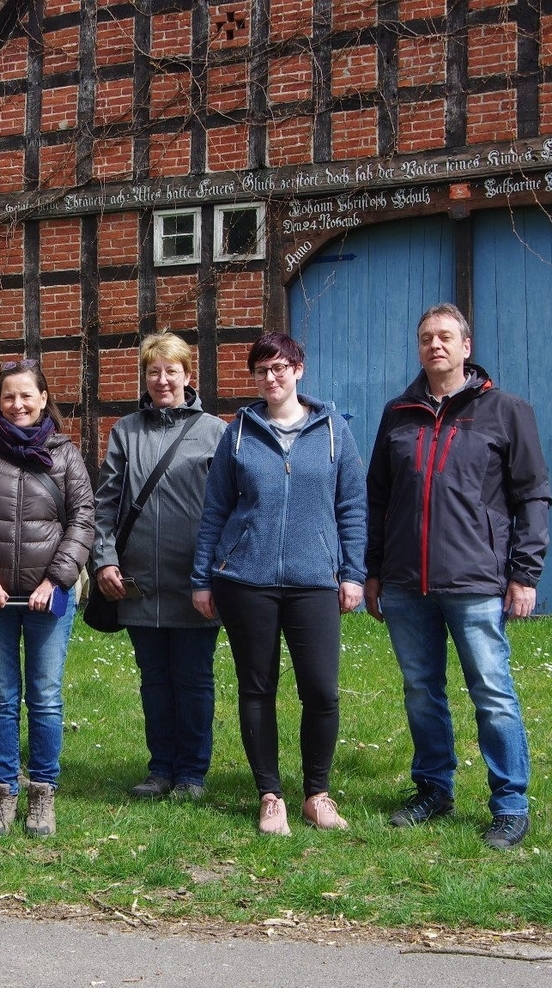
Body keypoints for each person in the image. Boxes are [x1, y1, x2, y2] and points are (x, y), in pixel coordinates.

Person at [364, 303, 550, 850]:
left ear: (466, 347)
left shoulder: (506, 410)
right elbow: (378, 498)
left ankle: (510, 804)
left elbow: (532, 496)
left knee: (492, 693)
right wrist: (373, 570)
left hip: (475, 581)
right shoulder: (398, 412)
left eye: (446, 336)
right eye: (426, 338)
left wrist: (525, 572)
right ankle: (433, 789)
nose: (435, 345)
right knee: (422, 692)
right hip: (404, 582)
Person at [192, 332, 366, 834]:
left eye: (280, 368)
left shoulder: (334, 430)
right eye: (262, 370)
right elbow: (215, 511)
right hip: (246, 579)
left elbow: (352, 507)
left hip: (315, 580)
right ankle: (270, 795)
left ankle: (318, 793)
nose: (272, 378)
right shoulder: (239, 433)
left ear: (299, 369)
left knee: (322, 690)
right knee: (257, 687)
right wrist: (203, 578)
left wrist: (352, 573)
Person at [0, 359, 94, 837]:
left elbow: (82, 521)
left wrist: (56, 580)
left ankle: (42, 795)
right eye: (8, 397)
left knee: (46, 698)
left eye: (27, 395)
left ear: (43, 398)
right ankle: (2, 793)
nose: (18, 405)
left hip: (47, 598)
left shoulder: (65, 455)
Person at [92, 332, 226, 802]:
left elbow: (230, 508)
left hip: (195, 584)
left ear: (188, 376)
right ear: (145, 378)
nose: (163, 379)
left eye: (172, 371)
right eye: (154, 371)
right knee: (154, 680)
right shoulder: (125, 431)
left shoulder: (216, 431)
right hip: (139, 584)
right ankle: (160, 769)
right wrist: (104, 559)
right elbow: (105, 503)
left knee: (193, 680)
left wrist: (214, 573)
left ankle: (192, 773)